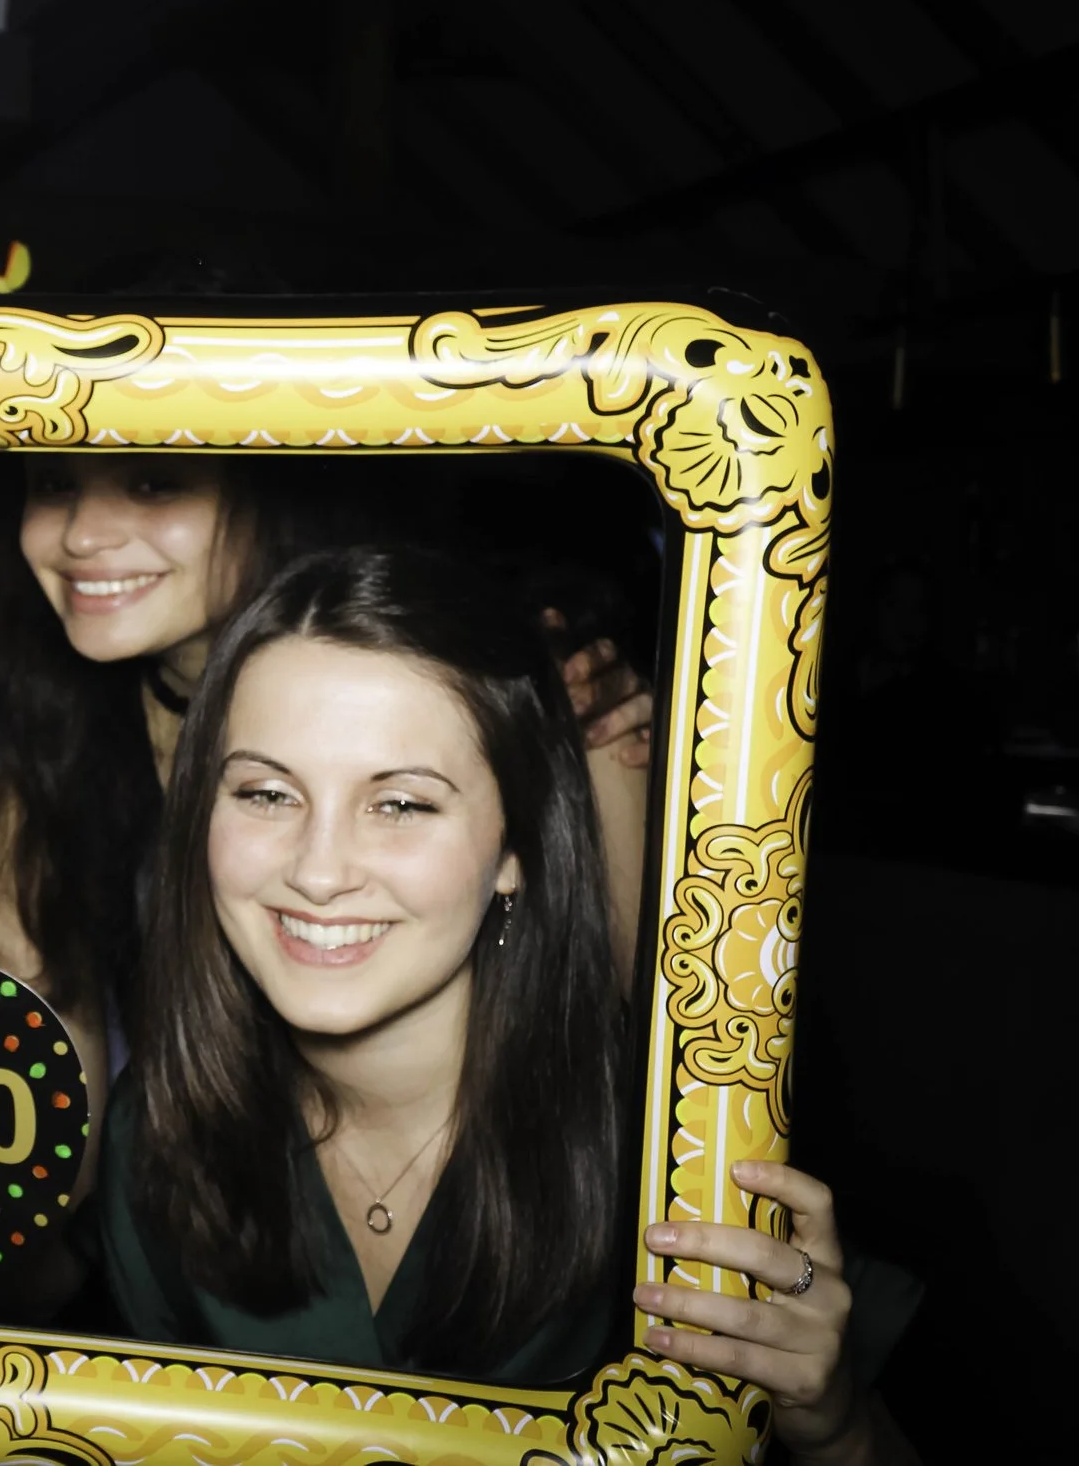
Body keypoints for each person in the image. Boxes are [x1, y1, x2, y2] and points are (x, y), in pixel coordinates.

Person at [100, 546, 919, 1462]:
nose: (318, 871)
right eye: (266, 792)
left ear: (515, 848)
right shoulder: (154, 1133)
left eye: (401, 804)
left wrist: (835, 1425)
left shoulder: (676, 1145)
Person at [0, 456, 655, 1150]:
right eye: (54, 484)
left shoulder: (537, 697)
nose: (82, 534)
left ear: (274, 484)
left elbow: (680, 1076)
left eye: (154, 483)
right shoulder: (34, 806)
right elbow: (44, 1164)